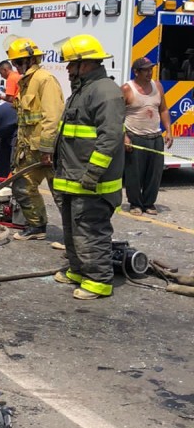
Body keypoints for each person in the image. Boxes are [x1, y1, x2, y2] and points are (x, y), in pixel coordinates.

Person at [53, 34, 125, 300]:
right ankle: (79, 270)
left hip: (92, 182)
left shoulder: (105, 92)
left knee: (90, 231)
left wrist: (93, 173)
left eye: (71, 64)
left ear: (86, 64)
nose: (68, 69)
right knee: (73, 230)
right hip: (73, 177)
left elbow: (110, 139)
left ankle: (98, 281)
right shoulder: (83, 90)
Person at [7, 37, 65, 241]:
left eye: (17, 62)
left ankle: (76, 238)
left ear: (29, 60)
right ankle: (36, 226)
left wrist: (48, 148)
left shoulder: (44, 79)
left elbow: (53, 116)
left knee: (60, 194)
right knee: (21, 186)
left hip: (47, 151)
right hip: (29, 150)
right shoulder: (26, 83)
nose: (15, 67)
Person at [122, 57, 173, 215]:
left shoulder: (157, 86)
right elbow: (117, 115)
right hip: (135, 137)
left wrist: (168, 131)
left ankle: (149, 203)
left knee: (155, 173)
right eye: (145, 70)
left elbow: (163, 109)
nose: (149, 72)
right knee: (134, 174)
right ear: (136, 72)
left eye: (151, 69)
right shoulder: (127, 89)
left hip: (155, 137)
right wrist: (125, 137)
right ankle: (135, 204)